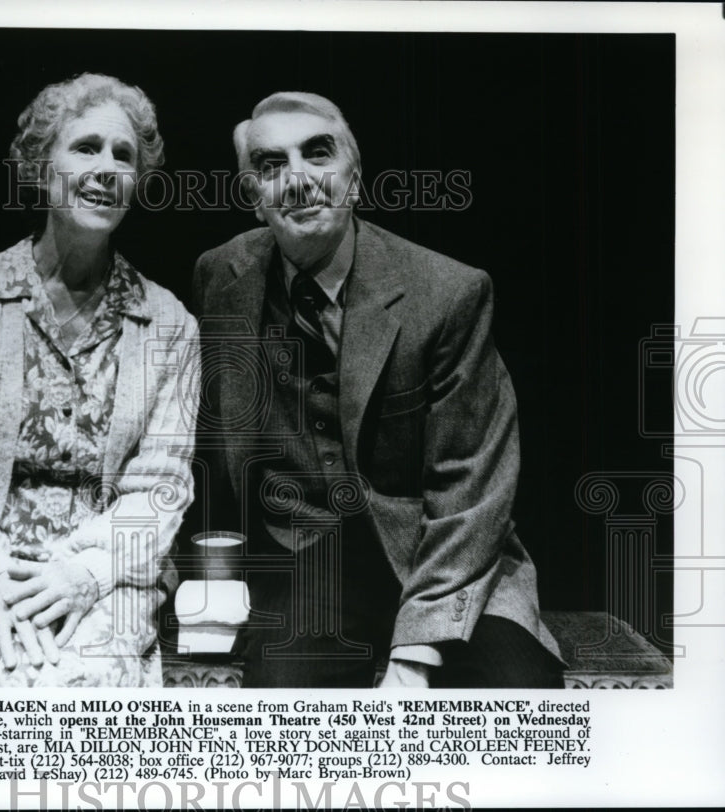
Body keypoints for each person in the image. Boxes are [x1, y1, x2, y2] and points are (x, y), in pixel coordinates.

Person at [189, 91, 564, 688]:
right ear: (253, 199)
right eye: (271, 165)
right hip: (308, 557)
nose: (298, 180)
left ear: (355, 180)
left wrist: (415, 654)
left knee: (517, 696)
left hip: (441, 551)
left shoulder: (446, 292)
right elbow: (211, 438)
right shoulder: (222, 275)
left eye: (318, 154)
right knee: (286, 709)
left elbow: (472, 485)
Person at [0, 74, 198, 687]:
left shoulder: (170, 325)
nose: (106, 168)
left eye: (123, 155)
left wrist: (83, 576)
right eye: (85, 147)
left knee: (80, 682)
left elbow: (159, 489)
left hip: (106, 574)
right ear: (38, 165)